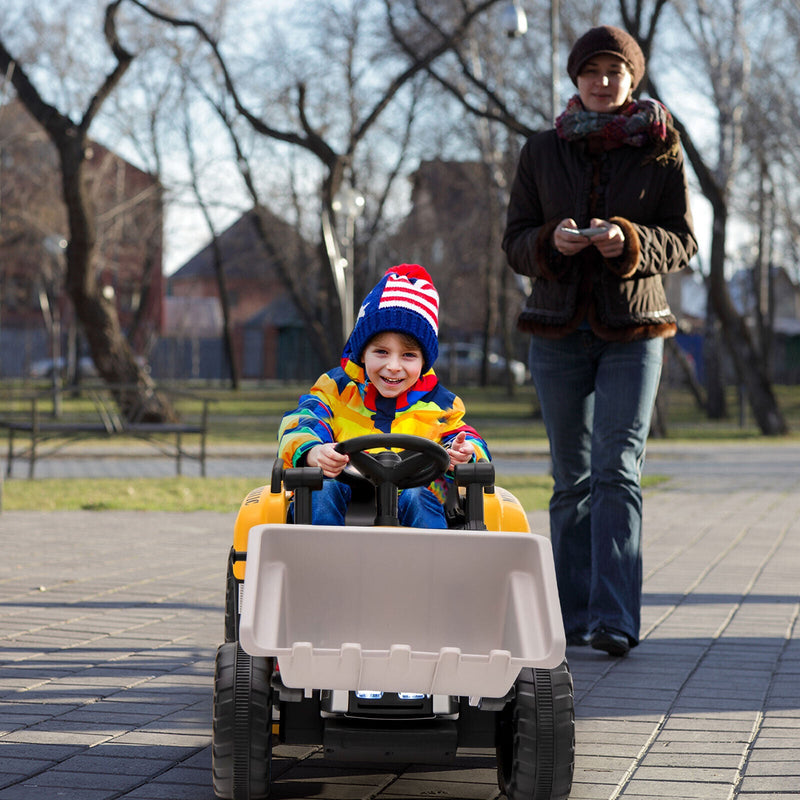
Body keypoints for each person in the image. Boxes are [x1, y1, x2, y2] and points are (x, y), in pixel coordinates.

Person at [502, 25, 697, 656]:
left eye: (615, 71)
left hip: (634, 331)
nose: (602, 81)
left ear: (632, 78)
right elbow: (514, 242)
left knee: (618, 471)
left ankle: (615, 619)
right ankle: (571, 617)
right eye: (591, 71)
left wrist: (630, 240)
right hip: (557, 332)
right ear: (575, 79)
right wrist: (547, 244)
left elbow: (684, 241)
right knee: (571, 480)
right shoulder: (540, 151)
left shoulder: (662, 149)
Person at [278, 263, 491, 528]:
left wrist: (466, 452)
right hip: (344, 497)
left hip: (415, 498)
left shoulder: (440, 405)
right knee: (321, 491)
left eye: (408, 355)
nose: (393, 366)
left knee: (419, 498)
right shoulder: (336, 390)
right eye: (381, 352)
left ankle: (433, 567)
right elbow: (301, 421)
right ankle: (321, 564)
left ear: (424, 361)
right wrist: (312, 451)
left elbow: (467, 437)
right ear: (362, 352)